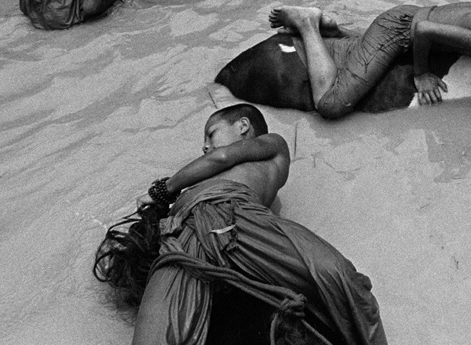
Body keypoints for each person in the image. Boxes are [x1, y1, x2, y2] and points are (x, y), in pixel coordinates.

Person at [94, 104, 387, 345]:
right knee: (152, 337)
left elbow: (222, 156)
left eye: (211, 133)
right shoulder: (202, 176)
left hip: (240, 219)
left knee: (341, 277)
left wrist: (163, 189)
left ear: (243, 126)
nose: (205, 146)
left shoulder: (273, 145)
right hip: (185, 228)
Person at [267, 2, 471, 118]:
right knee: (330, 105)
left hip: (410, 18)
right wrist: (421, 75)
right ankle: (307, 22)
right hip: (399, 31)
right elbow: (422, 30)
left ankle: (333, 30)